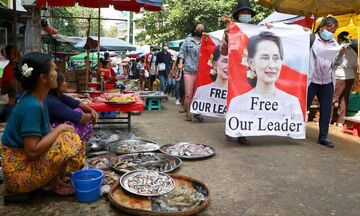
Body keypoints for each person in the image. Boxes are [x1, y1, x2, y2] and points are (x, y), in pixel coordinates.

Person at [0, 52, 84, 196]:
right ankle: (52, 184)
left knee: (67, 136)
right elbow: (32, 152)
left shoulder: (40, 99)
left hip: (26, 164)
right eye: (54, 69)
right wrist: (61, 129)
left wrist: (60, 131)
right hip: (19, 175)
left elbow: (47, 130)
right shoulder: (31, 106)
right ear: (43, 78)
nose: (57, 73)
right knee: (67, 140)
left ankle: (54, 180)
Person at [227, 31, 304, 138]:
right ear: (251, 63)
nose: (272, 65)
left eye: (276, 58)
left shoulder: (292, 103)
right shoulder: (237, 103)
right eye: (264, 58)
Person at [221, 0, 256, 144]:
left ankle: (242, 133)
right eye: (243, 12)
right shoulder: (231, 29)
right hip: (234, 72)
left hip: (250, 72)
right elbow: (223, 51)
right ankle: (232, 128)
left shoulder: (256, 30)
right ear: (238, 15)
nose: (246, 15)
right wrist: (227, 37)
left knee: (247, 102)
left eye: (248, 12)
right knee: (234, 101)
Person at [307, 16, 345, 148]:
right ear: (322, 27)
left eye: (334, 30)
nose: (331, 32)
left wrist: (340, 55)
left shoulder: (334, 44)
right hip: (312, 80)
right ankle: (294, 130)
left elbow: (336, 65)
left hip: (327, 82)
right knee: (303, 106)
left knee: (326, 109)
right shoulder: (311, 39)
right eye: (329, 28)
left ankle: (323, 137)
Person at [47, 73, 98, 142]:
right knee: (78, 113)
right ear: (57, 84)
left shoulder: (60, 96)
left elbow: (77, 103)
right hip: (50, 133)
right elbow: (81, 118)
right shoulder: (51, 101)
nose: (66, 83)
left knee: (79, 109)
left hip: (54, 128)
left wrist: (91, 110)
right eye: (64, 81)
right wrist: (92, 116)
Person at [178, 23, 205, 122]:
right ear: (194, 29)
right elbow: (182, 52)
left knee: (199, 93)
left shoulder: (205, 41)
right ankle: (189, 113)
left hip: (201, 71)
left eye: (202, 29)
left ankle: (197, 112)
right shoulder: (188, 40)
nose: (200, 30)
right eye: (198, 28)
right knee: (189, 93)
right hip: (189, 70)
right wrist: (180, 63)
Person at [331, 31, 358, 127]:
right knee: (344, 99)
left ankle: (326, 119)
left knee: (332, 98)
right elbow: (355, 68)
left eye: (338, 39)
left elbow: (335, 63)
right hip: (350, 78)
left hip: (339, 77)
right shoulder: (354, 53)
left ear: (341, 40)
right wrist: (356, 80)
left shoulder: (339, 50)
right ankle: (340, 122)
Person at [192, 45, 228, 115]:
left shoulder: (238, 95)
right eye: (225, 61)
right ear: (214, 64)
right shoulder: (201, 91)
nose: (229, 65)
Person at [0, 45, 20, 122]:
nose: (16, 55)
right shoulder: (9, 69)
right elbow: (18, 88)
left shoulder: (20, 66)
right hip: (12, 105)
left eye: (17, 52)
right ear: (8, 56)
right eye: (12, 53)